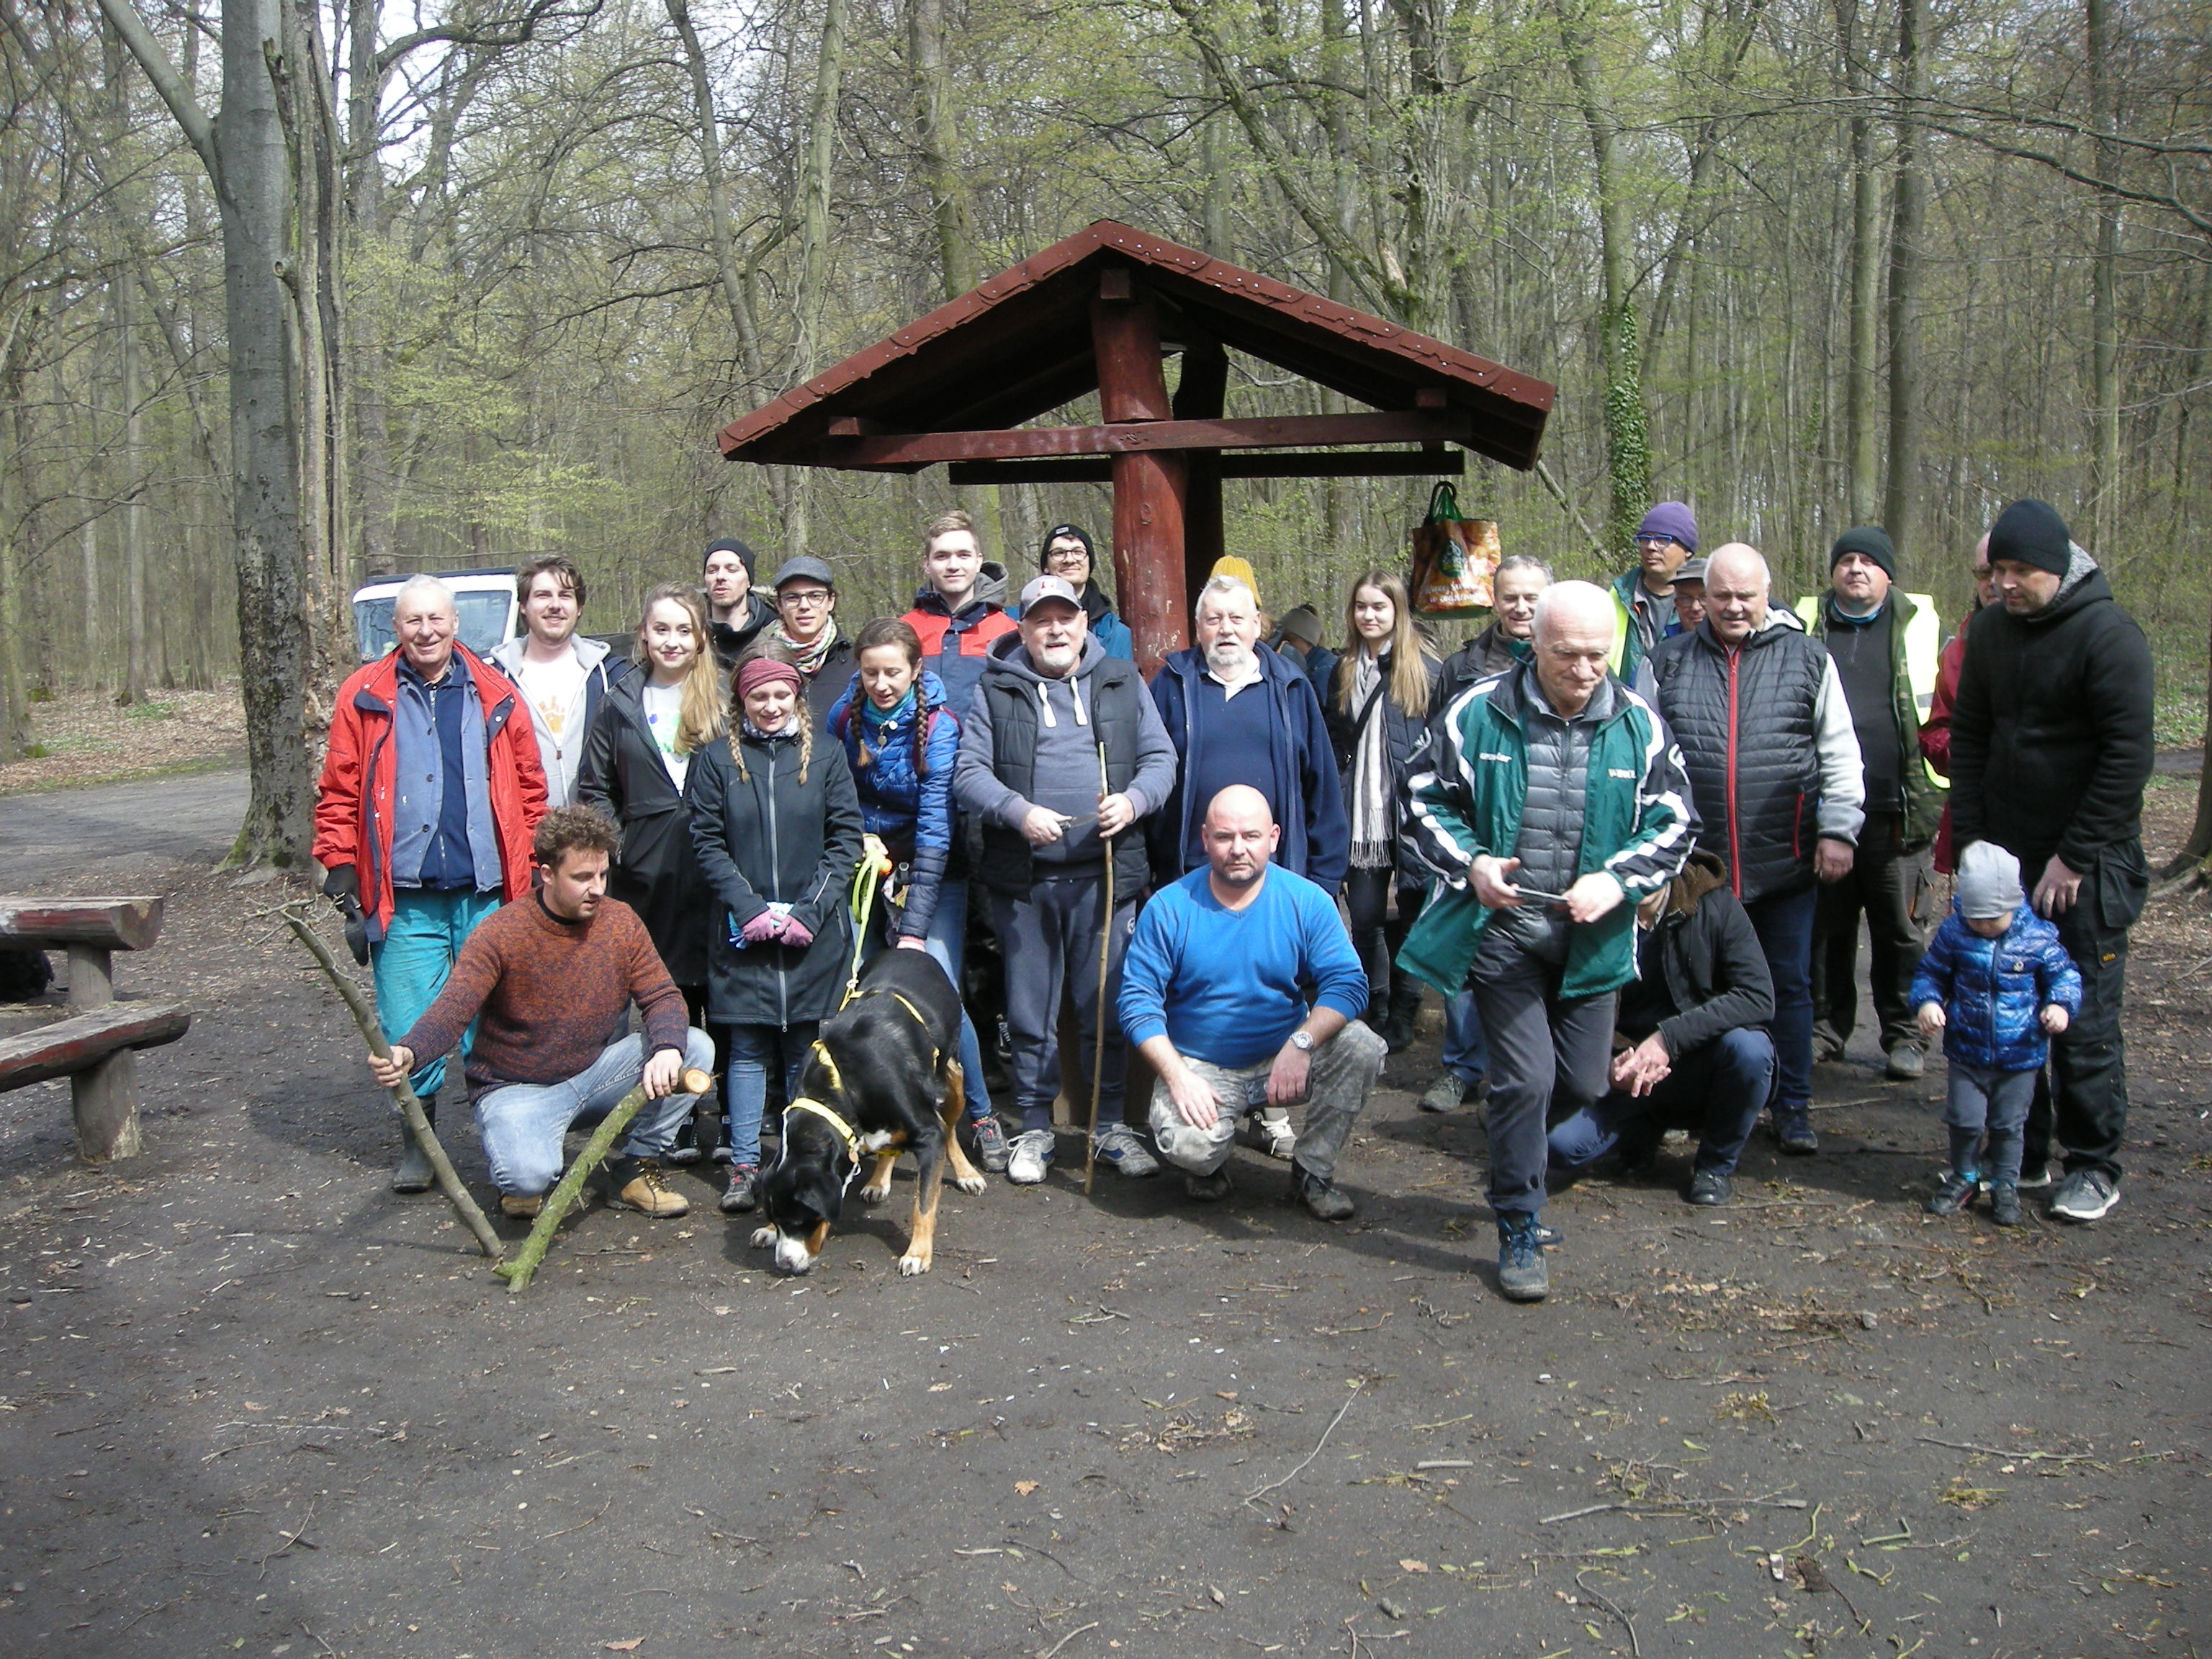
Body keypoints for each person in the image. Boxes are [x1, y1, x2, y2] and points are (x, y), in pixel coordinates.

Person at [1401, 580, 1694, 1303]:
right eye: (1568, 655)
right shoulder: (1478, 711)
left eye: (1599, 655)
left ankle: (1520, 1166)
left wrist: (1619, 880)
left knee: (1584, 1083)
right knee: (1524, 1082)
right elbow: (1418, 794)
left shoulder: (1639, 725)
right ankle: (1519, 1221)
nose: (1585, 670)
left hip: (1592, 942)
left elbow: (1677, 823)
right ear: (1535, 642)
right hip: (1503, 932)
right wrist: (1471, 863)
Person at [1948, 498, 2154, 1223]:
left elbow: (2128, 759)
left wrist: (2074, 856)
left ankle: (2094, 1163)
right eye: (1997, 570)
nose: (2005, 583)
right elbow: (1969, 737)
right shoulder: (1992, 634)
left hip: (2088, 868)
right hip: (2007, 860)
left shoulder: (2109, 636)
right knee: (2006, 1009)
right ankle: (2023, 1152)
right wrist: (1973, 844)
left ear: (2058, 568)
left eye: (2021, 572)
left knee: (2082, 1020)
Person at [365, 806, 716, 1220]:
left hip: (594, 1074)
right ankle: (522, 1162)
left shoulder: (620, 923)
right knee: (527, 1181)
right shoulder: (502, 933)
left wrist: (667, 1049)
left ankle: (633, 1166)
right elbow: (454, 1008)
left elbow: (661, 995)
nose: (598, 889)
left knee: (693, 1047)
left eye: (603, 875)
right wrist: (411, 1051)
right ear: (547, 873)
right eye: (583, 878)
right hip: (517, 1089)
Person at [315, 574, 547, 1193]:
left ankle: (505, 1141)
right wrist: (341, 872)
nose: (426, 631)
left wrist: (533, 867)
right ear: (397, 628)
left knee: (492, 1023)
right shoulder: (363, 694)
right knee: (409, 1024)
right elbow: (338, 790)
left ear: (454, 624)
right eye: (413, 621)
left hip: (486, 893)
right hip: (404, 897)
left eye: (436, 620)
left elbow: (529, 788)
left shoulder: (496, 692)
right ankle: (420, 1142)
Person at [954, 575, 1179, 1186]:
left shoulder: (1122, 680)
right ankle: (1033, 1125)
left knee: (1103, 1006)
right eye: (1041, 620)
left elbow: (1163, 761)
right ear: (1022, 629)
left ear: (1084, 623)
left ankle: (1109, 1126)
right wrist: (1018, 812)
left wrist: (1132, 802)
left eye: (1066, 618)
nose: (1055, 629)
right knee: (1029, 1012)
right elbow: (967, 773)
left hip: (1107, 877)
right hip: (1023, 883)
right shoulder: (996, 689)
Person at [1643, 542, 1863, 1156]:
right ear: (1701, 598)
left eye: (1746, 596)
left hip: (1784, 861)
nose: (1734, 607)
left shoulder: (1808, 660)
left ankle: (1792, 1104)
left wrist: (1838, 829)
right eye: (1721, 596)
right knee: (1693, 987)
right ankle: (1701, 1100)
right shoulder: (1665, 663)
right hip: (1696, 869)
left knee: (1788, 988)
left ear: (1768, 595)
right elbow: (1643, 761)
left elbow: (1840, 753)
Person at [1120, 786, 1385, 1218]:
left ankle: (1312, 1172)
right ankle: (1210, 1163)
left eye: (1251, 836)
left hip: (1286, 1056)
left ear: (1274, 838)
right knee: (1190, 1147)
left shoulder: (1307, 901)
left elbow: (1349, 983)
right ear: (1204, 839)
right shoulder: (1170, 907)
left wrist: (1301, 1044)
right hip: (1204, 1065)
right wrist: (1177, 1076)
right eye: (1224, 837)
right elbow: (1137, 1001)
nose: (1238, 849)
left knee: (1361, 1046)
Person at [825, 616, 1004, 1170]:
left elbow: (935, 830)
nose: (881, 684)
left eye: (893, 673)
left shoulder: (941, 726)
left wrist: (914, 932)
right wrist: (855, 836)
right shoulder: (844, 716)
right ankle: (861, 1110)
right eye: (871, 673)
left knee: (941, 986)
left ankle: (979, 1112)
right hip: (866, 864)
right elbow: (834, 788)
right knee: (853, 980)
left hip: (931, 869)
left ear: (916, 670)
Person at [688, 655, 864, 1214]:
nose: (770, 707)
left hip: (812, 934)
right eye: (758, 697)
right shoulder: (716, 761)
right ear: (742, 702)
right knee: (745, 1049)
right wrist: (749, 910)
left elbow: (846, 841)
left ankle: (799, 1158)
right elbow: (707, 842)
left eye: (780, 696)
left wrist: (808, 913)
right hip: (744, 935)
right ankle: (744, 1164)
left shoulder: (829, 757)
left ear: (796, 699)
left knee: (801, 1050)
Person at [576, 583, 724, 1159]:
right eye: (661, 629)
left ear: (700, 637)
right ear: (643, 635)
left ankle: (730, 1112)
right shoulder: (620, 703)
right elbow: (596, 789)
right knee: (670, 993)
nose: (672, 640)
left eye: (684, 630)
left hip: (716, 867)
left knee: (724, 988)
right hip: (648, 872)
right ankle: (676, 1112)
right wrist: (617, 850)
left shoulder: (726, 693)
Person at [1794, 528, 1946, 1081]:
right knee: (1825, 932)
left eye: (1868, 562)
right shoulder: (1807, 626)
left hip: (1897, 813)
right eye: (1846, 560)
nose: (1856, 569)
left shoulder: (1923, 629)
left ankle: (1906, 1036)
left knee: (1900, 932)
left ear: (1888, 574)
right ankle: (1826, 1030)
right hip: (1825, 813)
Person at [1545, 850, 1776, 1207]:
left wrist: (1668, 1039)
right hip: (1626, 1069)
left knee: (1751, 1051)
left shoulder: (1714, 903)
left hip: (1702, 1059)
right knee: (1560, 1148)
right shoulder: (1586, 912)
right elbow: (1557, 1014)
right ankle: (1641, 1131)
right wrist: (1605, 1069)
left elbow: (1757, 996)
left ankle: (1715, 1165)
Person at [1416, 554, 1553, 1115]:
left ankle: (1524, 1072)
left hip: (1544, 832)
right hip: (1474, 836)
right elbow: (1436, 751)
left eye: (1532, 597)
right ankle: (1461, 1067)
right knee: (1466, 953)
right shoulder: (1462, 666)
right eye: (1510, 597)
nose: (1521, 607)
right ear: (1494, 600)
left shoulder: (1567, 656)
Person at [1909, 841, 2082, 1227]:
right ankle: (1965, 1175)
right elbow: (1930, 974)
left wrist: (2060, 1005)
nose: (1984, 926)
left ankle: (2006, 1182)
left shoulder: (2037, 937)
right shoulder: (1956, 934)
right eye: (1976, 917)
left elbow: (2065, 976)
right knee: (1964, 1120)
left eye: (1993, 918)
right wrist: (1927, 1002)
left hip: (2019, 1054)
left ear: (2014, 903)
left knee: (2007, 1125)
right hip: (1967, 1053)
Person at [1151, 573, 1348, 898]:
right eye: (1214, 619)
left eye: (1236, 618)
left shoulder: (1291, 687)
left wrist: (1324, 881)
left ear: (1257, 625)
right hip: (1186, 882)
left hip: (1276, 880)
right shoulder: (1172, 684)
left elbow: (1322, 788)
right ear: (1198, 627)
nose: (1226, 629)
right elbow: (1145, 774)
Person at [1324, 570, 1442, 1056]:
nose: (1369, 615)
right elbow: (1332, 737)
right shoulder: (1342, 669)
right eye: (1361, 607)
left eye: (1379, 606)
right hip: (1360, 813)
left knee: (1414, 918)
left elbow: (1441, 743)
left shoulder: (1427, 668)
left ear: (1397, 611)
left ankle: (1406, 1012)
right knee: (1367, 917)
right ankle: (1377, 1004)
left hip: (1409, 813)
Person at [490, 554, 627, 809]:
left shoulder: (611, 677)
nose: (555, 605)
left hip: (598, 836)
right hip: (527, 835)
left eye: (565, 596)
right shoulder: (495, 682)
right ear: (523, 605)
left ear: (579, 607)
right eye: (543, 595)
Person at [1921, 538, 1999, 875]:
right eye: (1985, 573)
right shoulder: (1958, 650)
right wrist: (1968, 754)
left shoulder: (2067, 642)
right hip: (1976, 824)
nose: (1996, 582)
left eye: (2010, 570)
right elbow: (1935, 733)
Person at [901, 510, 1019, 713]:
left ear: (978, 561)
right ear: (926, 564)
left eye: (963, 555)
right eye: (942, 557)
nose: (953, 566)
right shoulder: (903, 631)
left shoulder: (1008, 632)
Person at [1609, 502, 1697, 682]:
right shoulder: (1615, 597)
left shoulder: (1705, 604)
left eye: (1662, 540)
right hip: (1623, 705)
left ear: (1687, 550)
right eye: (1644, 539)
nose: (1650, 547)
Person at [765, 556, 854, 724]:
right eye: (793, 598)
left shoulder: (855, 663)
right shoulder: (762, 661)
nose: (804, 606)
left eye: (815, 596)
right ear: (779, 605)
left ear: (830, 602)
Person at [1031, 523, 1133, 661]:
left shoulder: (1115, 632)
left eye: (1078, 552)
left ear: (1090, 563)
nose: (1069, 560)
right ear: (1045, 566)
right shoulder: (1017, 621)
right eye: (1059, 553)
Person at [703, 536, 776, 669]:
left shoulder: (775, 633)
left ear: (749, 581)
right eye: (712, 570)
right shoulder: (689, 632)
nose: (720, 577)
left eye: (731, 570)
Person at [1269, 605, 1338, 698]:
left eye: (1290, 639)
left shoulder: (1324, 670)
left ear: (1308, 642)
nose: (1284, 643)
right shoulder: (1311, 663)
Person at [1670, 557, 1709, 633]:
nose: (1695, 607)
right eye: (1686, 599)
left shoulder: (1736, 641)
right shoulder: (1667, 642)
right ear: (1676, 604)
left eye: (1704, 597)